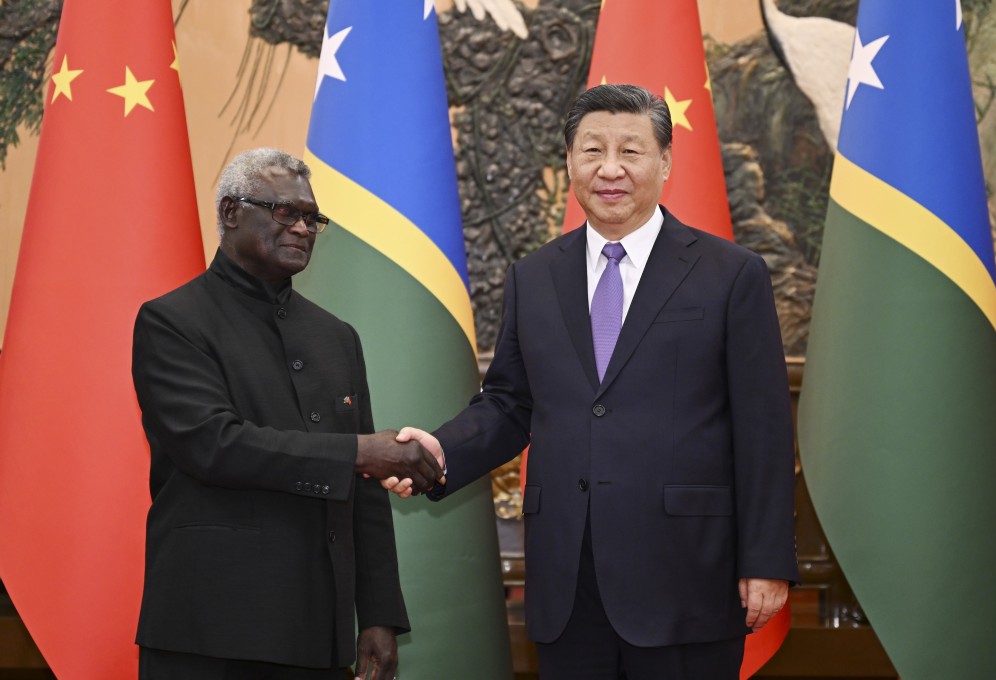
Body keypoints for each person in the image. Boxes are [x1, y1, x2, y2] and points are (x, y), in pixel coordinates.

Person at [392, 84, 798, 678]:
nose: (610, 169)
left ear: (664, 163)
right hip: (567, 582)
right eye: (592, 151)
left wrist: (765, 560)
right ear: (570, 163)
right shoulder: (533, 276)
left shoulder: (731, 274)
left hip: (687, 577)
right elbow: (510, 403)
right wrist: (441, 450)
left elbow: (762, 425)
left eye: (630, 151)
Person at [131, 148, 442, 680]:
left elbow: (364, 490)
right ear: (231, 212)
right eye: (284, 212)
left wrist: (379, 616)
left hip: (316, 629)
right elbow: (215, 446)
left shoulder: (336, 337)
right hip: (209, 630)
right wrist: (362, 450)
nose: (302, 228)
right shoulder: (171, 321)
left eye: (312, 218)